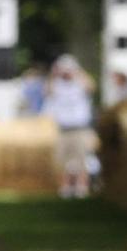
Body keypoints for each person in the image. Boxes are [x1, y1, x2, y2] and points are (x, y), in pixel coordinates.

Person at [44, 54, 96, 199]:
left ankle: (82, 187)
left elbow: (91, 87)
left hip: (80, 128)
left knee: (82, 159)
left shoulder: (80, 82)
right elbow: (47, 91)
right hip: (63, 129)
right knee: (62, 161)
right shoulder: (56, 84)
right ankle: (65, 186)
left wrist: (78, 71)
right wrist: (53, 74)